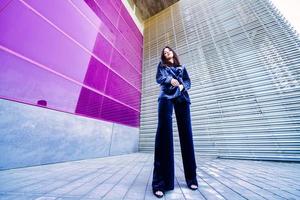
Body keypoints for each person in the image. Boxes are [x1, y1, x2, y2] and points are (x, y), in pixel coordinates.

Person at [152, 46, 198, 198]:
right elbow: (159, 78)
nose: (167, 53)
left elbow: (187, 82)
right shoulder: (162, 66)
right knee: (164, 136)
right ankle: (160, 183)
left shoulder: (182, 67)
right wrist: (170, 80)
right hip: (166, 97)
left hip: (182, 98)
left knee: (187, 137)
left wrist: (183, 86)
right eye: (164, 53)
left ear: (173, 53)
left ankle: (192, 178)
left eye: (168, 51)